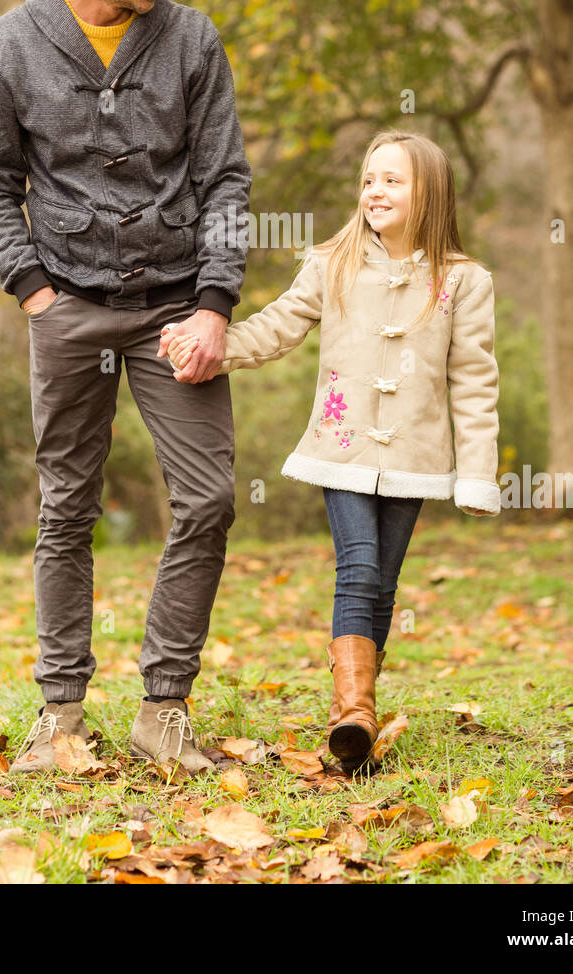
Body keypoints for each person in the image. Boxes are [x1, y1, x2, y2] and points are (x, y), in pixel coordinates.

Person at [0, 0, 251, 775]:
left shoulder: (192, 40)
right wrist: (34, 292)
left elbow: (227, 182)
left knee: (208, 498)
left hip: (176, 311)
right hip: (69, 308)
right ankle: (60, 719)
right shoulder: (7, 46)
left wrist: (213, 305)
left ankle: (163, 709)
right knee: (66, 510)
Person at [162, 129, 500, 773]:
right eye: (369, 180)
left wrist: (478, 475)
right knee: (360, 567)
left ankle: (360, 718)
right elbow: (279, 326)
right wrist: (212, 347)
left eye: (392, 180)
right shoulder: (333, 263)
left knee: (384, 585)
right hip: (340, 448)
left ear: (429, 192)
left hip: (415, 457)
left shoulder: (463, 283)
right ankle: (351, 715)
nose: (375, 191)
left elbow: (475, 380)